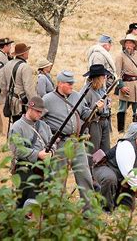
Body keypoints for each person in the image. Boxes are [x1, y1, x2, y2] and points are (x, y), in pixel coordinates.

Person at [42, 70, 105, 209]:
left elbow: (86, 114)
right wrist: (48, 137)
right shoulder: (47, 100)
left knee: (85, 176)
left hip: (77, 142)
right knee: (59, 178)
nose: (72, 86)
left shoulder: (77, 96)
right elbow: (39, 121)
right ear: (59, 83)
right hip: (60, 144)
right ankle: (57, 211)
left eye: (72, 83)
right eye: (68, 83)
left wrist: (97, 109)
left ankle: (89, 211)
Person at [8, 96, 52, 208]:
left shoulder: (44, 125)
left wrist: (51, 152)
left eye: (41, 112)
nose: (40, 114)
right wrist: (37, 154)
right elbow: (17, 149)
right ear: (30, 109)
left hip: (44, 165)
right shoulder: (17, 126)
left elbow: (52, 142)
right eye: (37, 111)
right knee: (26, 197)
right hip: (25, 166)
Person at [82, 64, 112, 167]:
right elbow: (82, 111)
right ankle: (91, 174)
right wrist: (96, 110)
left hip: (104, 121)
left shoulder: (102, 89)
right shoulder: (86, 92)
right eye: (103, 76)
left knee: (105, 149)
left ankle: (102, 172)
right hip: (94, 123)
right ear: (98, 78)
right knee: (93, 150)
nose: (105, 78)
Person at [115, 34, 137, 133]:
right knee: (122, 109)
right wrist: (121, 86)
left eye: (131, 43)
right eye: (127, 43)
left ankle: (136, 129)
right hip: (126, 85)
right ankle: (120, 130)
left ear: (134, 45)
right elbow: (117, 74)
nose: (128, 45)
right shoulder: (120, 56)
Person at [1, 43, 37, 123]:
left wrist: (6, 98)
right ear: (24, 54)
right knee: (24, 127)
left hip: (11, 100)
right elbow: (29, 89)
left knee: (16, 125)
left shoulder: (7, 64)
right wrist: (35, 104)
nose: (28, 53)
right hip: (21, 104)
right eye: (27, 52)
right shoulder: (25, 67)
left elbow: (2, 85)